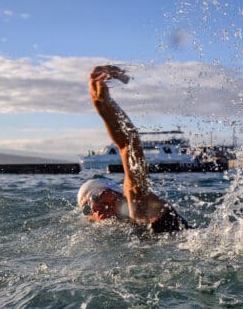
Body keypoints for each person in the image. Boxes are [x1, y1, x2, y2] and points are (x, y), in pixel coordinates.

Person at [77, 65, 191, 234]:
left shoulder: (136, 200)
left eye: (96, 196)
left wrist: (104, 105)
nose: (95, 206)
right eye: (87, 209)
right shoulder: (125, 225)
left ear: (114, 190)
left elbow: (129, 144)